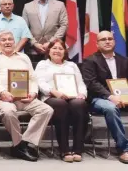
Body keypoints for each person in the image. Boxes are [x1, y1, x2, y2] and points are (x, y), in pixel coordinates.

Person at [0, 30, 53, 162]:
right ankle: (19, 144)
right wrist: (2, 92)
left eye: (10, 39)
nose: (7, 42)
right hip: (4, 98)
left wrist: (33, 92)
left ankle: (23, 144)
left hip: (25, 96)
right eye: (3, 40)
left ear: (14, 42)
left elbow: (33, 78)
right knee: (8, 112)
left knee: (46, 110)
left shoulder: (23, 57)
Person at [35, 39, 87, 162]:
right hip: (51, 97)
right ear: (49, 51)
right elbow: (39, 82)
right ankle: (64, 149)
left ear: (65, 52)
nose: (57, 51)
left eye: (60, 48)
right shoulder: (43, 64)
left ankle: (77, 149)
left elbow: (80, 83)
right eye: (54, 48)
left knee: (80, 104)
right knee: (60, 104)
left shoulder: (72, 65)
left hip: (73, 96)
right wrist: (53, 91)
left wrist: (82, 94)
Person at [82, 30, 128, 164]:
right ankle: (123, 149)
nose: (107, 41)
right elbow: (91, 83)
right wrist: (110, 96)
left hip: (123, 97)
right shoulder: (90, 60)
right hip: (99, 100)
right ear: (97, 44)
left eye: (110, 39)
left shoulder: (124, 60)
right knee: (110, 108)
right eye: (103, 39)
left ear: (114, 41)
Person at [22, 0, 68, 64]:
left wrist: (51, 42)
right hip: (33, 50)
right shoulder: (27, 6)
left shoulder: (60, 5)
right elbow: (24, 27)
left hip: (53, 49)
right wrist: (34, 44)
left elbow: (64, 25)